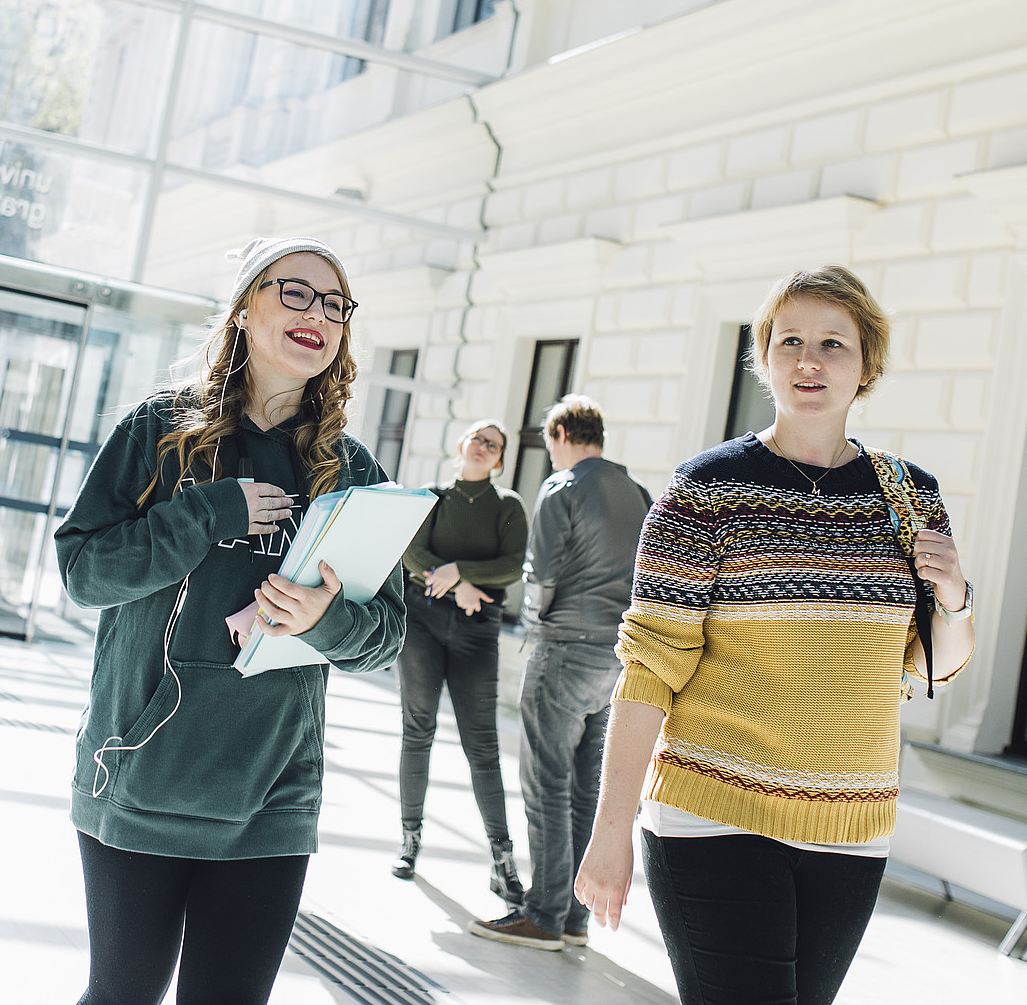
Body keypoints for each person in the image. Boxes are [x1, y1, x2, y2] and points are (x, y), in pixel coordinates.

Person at [574, 265, 978, 1005]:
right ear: (764, 358)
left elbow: (932, 671)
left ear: (868, 368)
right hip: (712, 813)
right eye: (789, 340)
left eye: (833, 344)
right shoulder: (706, 489)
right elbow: (649, 669)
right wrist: (610, 832)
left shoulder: (911, 496)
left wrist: (953, 598)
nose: (809, 360)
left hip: (852, 826)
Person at [54, 236, 406, 1005]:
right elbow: (85, 573)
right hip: (142, 772)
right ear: (246, 309)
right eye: (296, 293)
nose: (318, 314)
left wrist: (324, 617)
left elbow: (386, 635)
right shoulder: (158, 432)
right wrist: (207, 514)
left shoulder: (354, 472)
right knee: (123, 995)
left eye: (336, 305)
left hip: (272, 794)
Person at [470, 393, 651, 952]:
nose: (550, 457)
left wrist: (531, 627)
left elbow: (540, 573)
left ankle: (543, 914)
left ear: (562, 435)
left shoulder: (563, 487)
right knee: (584, 788)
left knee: (544, 782)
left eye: (550, 444)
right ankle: (574, 917)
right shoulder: (641, 494)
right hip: (616, 660)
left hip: (565, 651)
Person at [391, 420, 529, 904]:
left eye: (494, 443)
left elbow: (514, 565)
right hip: (425, 621)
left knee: (482, 744)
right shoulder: (433, 497)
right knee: (418, 729)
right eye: (477, 437)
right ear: (461, 446)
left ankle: (502, 859)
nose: (483, 446)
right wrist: (458, 583)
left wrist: (461, 572)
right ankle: (410, 841)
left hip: (476, 631)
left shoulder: (508, 506)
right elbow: (411, 550)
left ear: (498, 460)